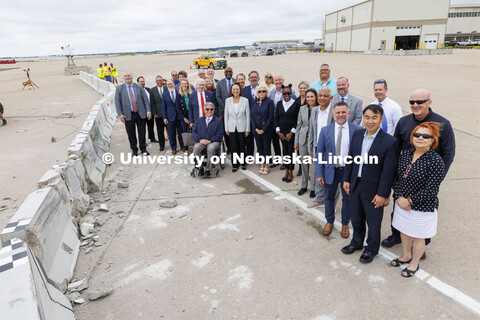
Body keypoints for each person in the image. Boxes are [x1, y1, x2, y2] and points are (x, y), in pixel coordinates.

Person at [382, 89, 456, 250]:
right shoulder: (404, 122)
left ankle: (420, 244)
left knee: (421, 214)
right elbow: (395, 150)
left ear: (429, 102)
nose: (415, 105)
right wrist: (395, 179)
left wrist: (436, 178)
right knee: (399, 206)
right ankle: (396, 235)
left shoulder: (443, 124)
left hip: (426, 178)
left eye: (419, 102)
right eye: (412, 102)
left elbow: (448, 153)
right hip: (404, 177)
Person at [341, 104, 399, 264]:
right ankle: (357, 242)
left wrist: (383, 194)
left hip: (374, 190)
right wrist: (347, 178)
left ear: (381, 119)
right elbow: (350, 158)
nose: (370, 121)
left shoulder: (389, 142)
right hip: (355, 184)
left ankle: (371, 248)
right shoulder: (358, 134)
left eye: (374, 117)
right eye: (367, 117)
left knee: (373, 223)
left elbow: (388, 172)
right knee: (356, 218)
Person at [390, 122, 445, 277]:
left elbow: (431, 189)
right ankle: (406, 255)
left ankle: (414, 263)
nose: (420, 138)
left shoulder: (436, 161)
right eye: (417, 135)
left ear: (433, 140)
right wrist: (400, 197)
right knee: (404, 231)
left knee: (418, 236)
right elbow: (396, 178)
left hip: (422, 206)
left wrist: (410, 201)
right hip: (401, 203)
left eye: (425, 136)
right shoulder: (405, 154)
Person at [316, 102, 363, 237]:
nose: (341, 115)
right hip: (330, 170)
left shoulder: (357, 130)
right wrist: (319, 173)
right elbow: (320, 153)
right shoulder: (325, 131)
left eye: (343, 112)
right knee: (329, 197)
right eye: (338, 112)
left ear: (348, 113)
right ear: (333, 114)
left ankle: (345, 224)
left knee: (347, 199)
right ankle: (329, 221)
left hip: (348, 172)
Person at [307, 87, 334, 208]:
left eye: (325, 96)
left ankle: (330, 202)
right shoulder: (314, 110)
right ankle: (319, 198)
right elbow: (312, 130)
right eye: (320, 95)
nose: (322, 98)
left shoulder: (334, 111)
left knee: (331, 175)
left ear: (331, 98)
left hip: (331, 149)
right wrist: (310, 148)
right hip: (317, 147)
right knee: (318, 172)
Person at [114, 72, 152, 156]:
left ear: (132, 77)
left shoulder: (138, 87)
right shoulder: (119, 89)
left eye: (129, 76)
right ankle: (134, 150)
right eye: (125, 76)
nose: (128, 77)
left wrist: (148, 111)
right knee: (131, 134)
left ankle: (143, 149)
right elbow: (117, 103)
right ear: (123, 78)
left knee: (142, 132)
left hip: (140, 113)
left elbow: (145, 99)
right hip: (128, 115)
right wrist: (120, 114)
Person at [269, 74, 297, 168]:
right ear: (274, 81)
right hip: (276, 122)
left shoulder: (290, 91)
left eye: (280, 80)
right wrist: (277, 128)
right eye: (276, 80)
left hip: (288, 124)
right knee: (277, 144)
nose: (278, 82)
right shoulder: (272, 92)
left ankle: (288, 166)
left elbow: (295, 109)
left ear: (283, 80)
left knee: (289, 148)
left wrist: (292, 130)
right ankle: (280, 161)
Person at [275, 84, 300, 183]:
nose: (287, 95)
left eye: (288, 93)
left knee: (290, 153)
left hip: (291, 133)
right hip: (282, 132)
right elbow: (276, 118)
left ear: (291, 93)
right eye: (284, 93)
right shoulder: (279, 104)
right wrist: (278, 131)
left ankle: (291, 172)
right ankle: (286, 171)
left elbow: (298, 120)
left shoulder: (296, 104)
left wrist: (292, 132)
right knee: (284, 152)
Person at [295, 89, 318, 197]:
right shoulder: (302, 109)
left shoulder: (319, 110)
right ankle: (304, 186)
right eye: (308, 97)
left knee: (313, 166)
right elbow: (298, 126)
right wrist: (296, 141)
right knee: (304, 164)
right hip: (303, 140)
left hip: (314, 141)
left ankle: (313, 188)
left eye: (312, 97)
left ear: (316, 97)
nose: (309, 99)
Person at [192, 102, 224, 177]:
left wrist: (210, 141)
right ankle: (200, 168)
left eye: (211, 109)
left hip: (213, 142)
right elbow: (194, 132)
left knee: (211, 148)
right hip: (202, 141)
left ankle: (208, 169)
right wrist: (200, 140)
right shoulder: (199, 120)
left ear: (214, 110)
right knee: (196, 148)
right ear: (204, 110)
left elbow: (220, 134)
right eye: (207, 109)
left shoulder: (218, 121)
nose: (209, 111)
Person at [224, 82, 250, 171]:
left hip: (242, 126)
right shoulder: (228, 100)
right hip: (231, 127)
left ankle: (243, 163)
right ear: (231, 90)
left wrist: (247, 129)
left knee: (242, 146)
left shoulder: (245, 100)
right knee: (234, 147)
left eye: (237, 89)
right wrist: (226, 128)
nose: (235, 91)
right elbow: (226, 115)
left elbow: (247, 115)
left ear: (240, 90)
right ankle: (235, 164)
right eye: (234, 89)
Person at [250, 83, 274, 175]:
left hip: (266, 130)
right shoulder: (254, 102)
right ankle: (262, 164)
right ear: (257, 92)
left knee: (266, 147)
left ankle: (266, 165)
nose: (261, 93)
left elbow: (270, 117)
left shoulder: (269, 102)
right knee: (259, 148)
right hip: (256, 130)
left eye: (263, 91)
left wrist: (264, 129)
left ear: (266, 92)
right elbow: (252, 116)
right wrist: (255, 128)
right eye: (260, 91)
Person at [162, 79, 186, 155]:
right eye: (168, 84)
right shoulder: (164, 95)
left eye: (171, 83)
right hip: (170, 117)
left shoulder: (178, 93)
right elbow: (164, 107)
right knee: (171, 134)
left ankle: (182, 146)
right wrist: (164, 118)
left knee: (180, 133)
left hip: (179, 117)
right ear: (166, 85)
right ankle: (173, 148)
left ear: (173, 84)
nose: (170, 85)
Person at [216, 67, 236, 152]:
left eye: (230, 71)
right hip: (224, 111)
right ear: (224, 73)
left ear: (232, 72)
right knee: (226, 130)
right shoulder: (220, 83)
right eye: (226, 71)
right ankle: (229, 147)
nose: (228, 73)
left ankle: (235, 146)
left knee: (235, 129)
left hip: (235, 111)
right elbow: (218, 97)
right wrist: (225, 108)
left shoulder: (236, 81)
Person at [292, 81, 309, 176]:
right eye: (301, 88)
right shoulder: (297, 101)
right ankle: (301, 168)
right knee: (299, 150)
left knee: (307, 151)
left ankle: (308, 169)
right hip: (298, 128)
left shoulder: (310, 100)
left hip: (307, 129)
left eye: (304, 88)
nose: (302, 90)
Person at [243, 71, 261, 157]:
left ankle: (260, 157)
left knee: (260, 140)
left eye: (255, 77)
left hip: (260, 119)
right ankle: (250, 156)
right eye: (252, 77)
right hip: (248, 119)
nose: (253, 79)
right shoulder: (244, 90)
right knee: (249, 140)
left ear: (258, 78)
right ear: (249, 79)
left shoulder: (262, 89)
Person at [137, 76, 157, 143]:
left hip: (149, 112)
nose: (142, 83)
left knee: (151, 126)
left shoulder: (148, 89)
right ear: (137, 83)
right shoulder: (136, 91)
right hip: (142, 113)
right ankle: (143, 142)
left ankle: (152, 138)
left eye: (143, 81)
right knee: (142, 129)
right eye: (141, 82)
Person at [150, 76, 167, 151]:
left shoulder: (166, 88)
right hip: (158, 114)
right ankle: (162, 145)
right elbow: (152, 103)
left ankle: (173, 145)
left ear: (162, 81)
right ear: (156, 81)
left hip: (167, 114)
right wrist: (154, 113)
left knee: (170, 130)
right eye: (158, 80)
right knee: (160, 131)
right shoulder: (152, 90)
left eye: (160, 80)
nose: (159, 81)